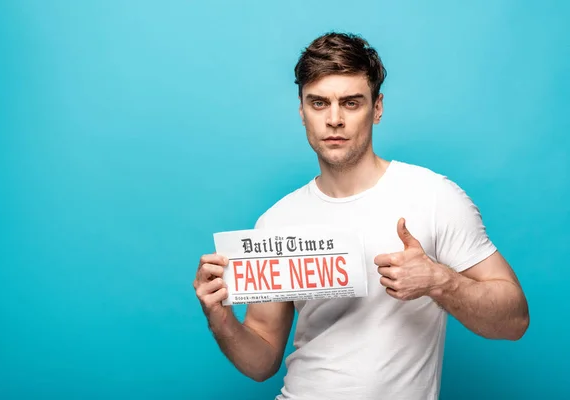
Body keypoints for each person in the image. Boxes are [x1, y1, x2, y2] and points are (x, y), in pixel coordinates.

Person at [193, 32, 529, 400]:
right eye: (319, 103)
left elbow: (514, 321)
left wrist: (438, 280)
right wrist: (221, 320)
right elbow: (261, 361)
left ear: (378, 108)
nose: (334, 119)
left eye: (351, 103)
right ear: (301, 111)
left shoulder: (433, 196)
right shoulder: (276, 222)